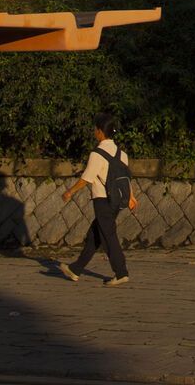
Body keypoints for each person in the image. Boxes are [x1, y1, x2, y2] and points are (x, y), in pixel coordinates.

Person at [57, 115, 137, 285]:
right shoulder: (122, 154)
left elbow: (87, 178)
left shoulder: (97, 154)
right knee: (95, 235)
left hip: (102, 200)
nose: (94, 132)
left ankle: (121, 272)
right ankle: (75, 269)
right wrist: (131, 196)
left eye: (95, 129)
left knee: (108, 235)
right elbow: (126, 178)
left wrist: (70, 192)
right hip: (117, 201)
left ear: (100, 132)